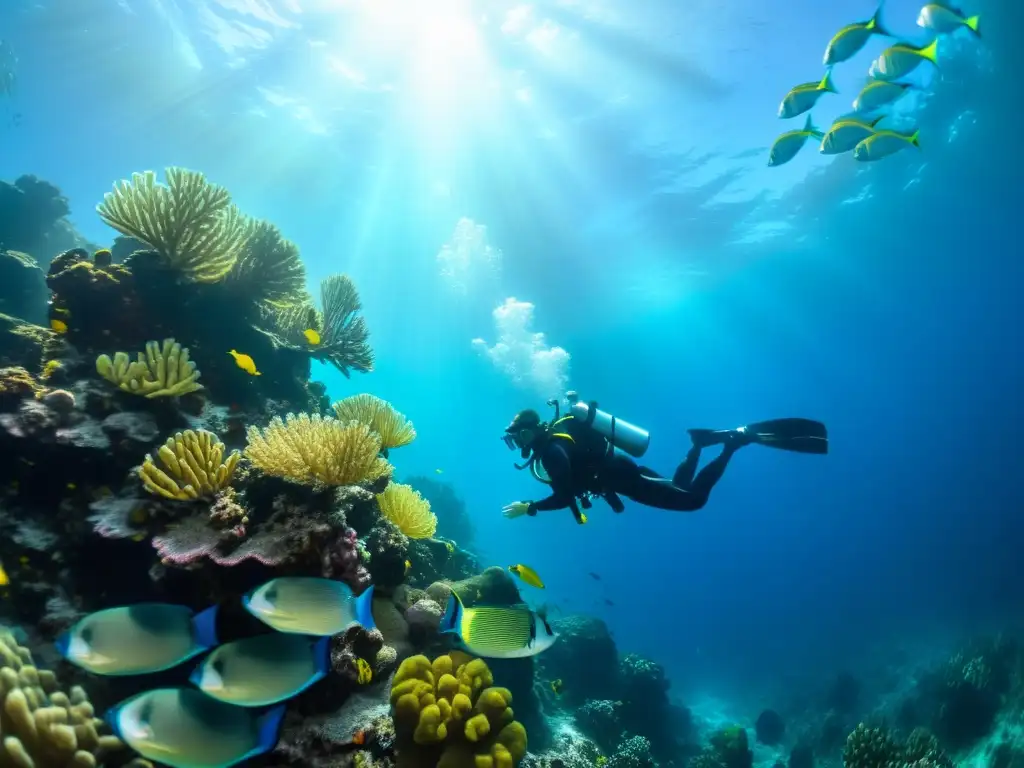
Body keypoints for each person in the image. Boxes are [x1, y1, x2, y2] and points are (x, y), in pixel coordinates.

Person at [500, 406, 827, 523]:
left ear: (528, 431)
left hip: (623, 479)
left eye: (516, 439)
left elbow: (565, 496)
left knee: (693, 501)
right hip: (621, 468)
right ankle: (699, 444)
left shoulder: (552, 452)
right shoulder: (561, 434)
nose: (517, 446)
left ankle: (733, 443)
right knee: (679, 485)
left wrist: (529, 507)